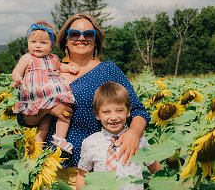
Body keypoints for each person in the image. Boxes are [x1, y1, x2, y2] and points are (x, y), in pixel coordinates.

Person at [42, 13, 151, 189]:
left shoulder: (108, 71)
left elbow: (138, 110)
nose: (81, 38)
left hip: (92, 170)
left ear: (96, 40)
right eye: (75, 34)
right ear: (65, 40)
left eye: (88, 34)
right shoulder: (49, 71)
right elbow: (25, 118)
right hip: (50, 167)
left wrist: (134, 132)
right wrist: (48, 110)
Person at [76, 81, 162, 190]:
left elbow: (155, 168)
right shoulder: (90, 143)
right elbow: (83, 175)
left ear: (128, 111)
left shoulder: (139, 141)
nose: (113, 117)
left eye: (119, 110)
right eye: (106, 112)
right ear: (97, 114)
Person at [12, 20, 78, 154]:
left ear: (51, 45)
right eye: (33, 42)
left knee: (61, 113)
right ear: (28, 42)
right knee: (41, 122)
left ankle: (59, 138)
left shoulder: (53, 58)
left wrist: (70, 68)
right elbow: (17, 70)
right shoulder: (27, 58)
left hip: (53, 94)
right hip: (37, 95)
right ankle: (37, 150)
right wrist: (18, 78)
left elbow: (60, 67)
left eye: (43, 43)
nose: (38, 46)